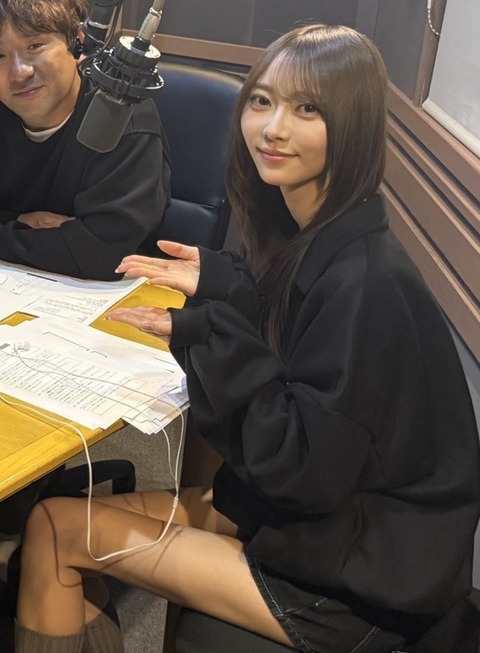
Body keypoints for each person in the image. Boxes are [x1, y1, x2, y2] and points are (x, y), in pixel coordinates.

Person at [14, 23, 480, 653]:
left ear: (354, 125)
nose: (272, 128)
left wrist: (205, 330)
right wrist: (227, 286)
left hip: (359, 573)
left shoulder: (369, 282)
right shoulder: (312, 235)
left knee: (59, 533)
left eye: (307, 109)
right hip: (316, 519)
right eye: (262, 101)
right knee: (50, 522)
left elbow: (300, 469)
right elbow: (292, 327)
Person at [0, 0, 171, 281]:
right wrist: (19, 225)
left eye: (35, 46)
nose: (19, 73)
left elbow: (104, 254)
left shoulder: (120, 114)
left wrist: (7, 229)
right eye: (0, 56)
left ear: (77, 42)